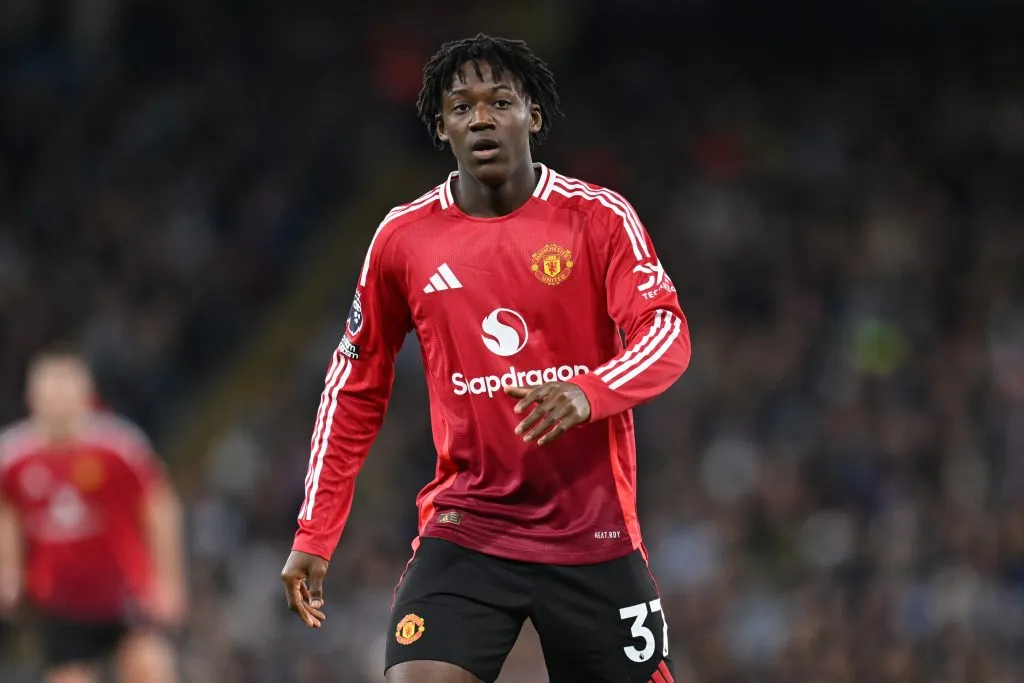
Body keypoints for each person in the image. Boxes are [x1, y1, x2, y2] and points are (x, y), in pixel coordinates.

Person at [280, 34, 690, 683]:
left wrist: (590, 390)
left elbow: (665, 331)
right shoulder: (403, 239)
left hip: (592, 534)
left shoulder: (597, 218)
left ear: (533, 114)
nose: (480, 118)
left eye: (500, 101)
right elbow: (354, 385)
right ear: (441, 126)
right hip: (467, 528)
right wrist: (314, 532)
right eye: (461, 106)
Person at [0, 344, 185, 683]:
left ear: (86, 393)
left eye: (65, 389)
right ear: (32, 396)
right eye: (49, 390)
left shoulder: (118, 446)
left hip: (123, 589)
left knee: (149, 665)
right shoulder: (14, 456)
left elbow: (160, 505)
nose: (57, 400)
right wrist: (9, 569)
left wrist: (169, 582)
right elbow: (6, 511)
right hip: (59, 600)